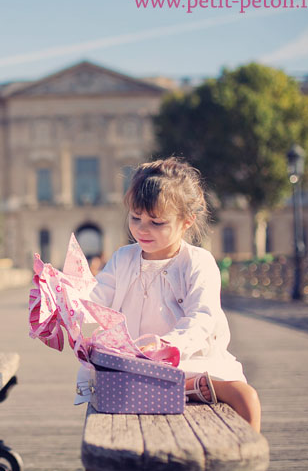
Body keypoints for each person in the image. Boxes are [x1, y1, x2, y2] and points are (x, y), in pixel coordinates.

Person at [76, 157, 261, 432]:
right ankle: (185, 390)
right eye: (136, 218)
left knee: (246, 398)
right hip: (136, 365)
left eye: (157, 222)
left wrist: (167, 346)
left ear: (187, 221)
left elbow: (202, 315)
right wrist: (66, 306)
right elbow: (95, 300)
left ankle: (239, 452)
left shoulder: (197, 261)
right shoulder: (123, 258)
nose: (141, 229)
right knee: (115, 386)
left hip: (189, 358)